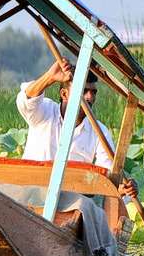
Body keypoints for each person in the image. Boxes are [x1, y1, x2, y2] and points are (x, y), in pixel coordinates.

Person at [17, 58, 137, 200]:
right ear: (64, 94)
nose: (90, 97)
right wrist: (50, 77)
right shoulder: (45, 112)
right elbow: (25, 100)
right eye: (84, 91)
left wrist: (124, 188)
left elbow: (109, 175)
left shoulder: (100, 132)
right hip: (30, 196)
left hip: (68, 204)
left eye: (93, 92)